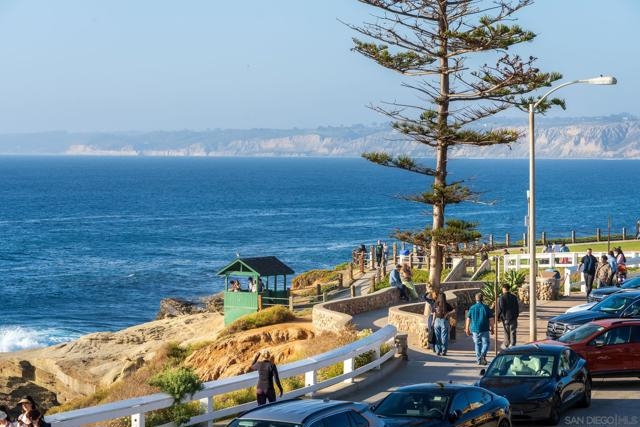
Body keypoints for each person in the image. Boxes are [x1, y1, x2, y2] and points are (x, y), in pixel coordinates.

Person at [465, 293, 494, 366]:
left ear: (476, 299)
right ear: (482, 299)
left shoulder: (472, 307)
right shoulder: (486, 307)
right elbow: (491, 319)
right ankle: (483, 355)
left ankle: (479, 360)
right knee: (486, 343)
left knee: (477, 344)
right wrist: (492, 328)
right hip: (484, 328)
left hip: (475, 329)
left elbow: (468, 319)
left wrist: (467, 329)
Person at [498, 284, 519, 348]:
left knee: (506, 332)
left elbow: (501, 308)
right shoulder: (514, 297)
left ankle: (507, 345)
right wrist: (516, 315)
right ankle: (513, 345)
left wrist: (498, 317)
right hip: (513, 317)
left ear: (504, 289)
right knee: (513, 331)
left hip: (506, 318)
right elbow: (517, 307)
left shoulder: (502, 297)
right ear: (509, 289)